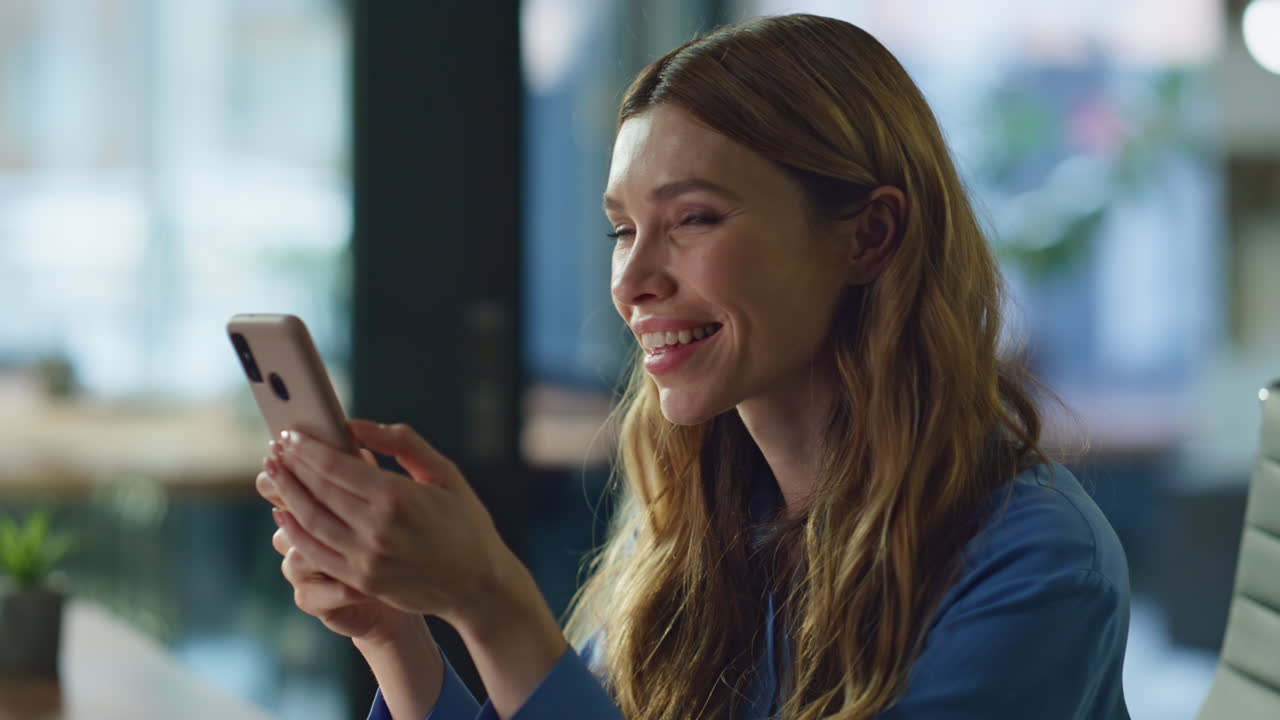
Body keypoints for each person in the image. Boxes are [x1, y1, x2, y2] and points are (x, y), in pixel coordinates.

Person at [255, 13, 1131, 720]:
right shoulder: (702, 523)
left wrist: (492, 602)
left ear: (870, 235)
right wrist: (394, 634)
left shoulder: (1038, 567)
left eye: (695, 219)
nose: (634, 282)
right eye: (622, 230)